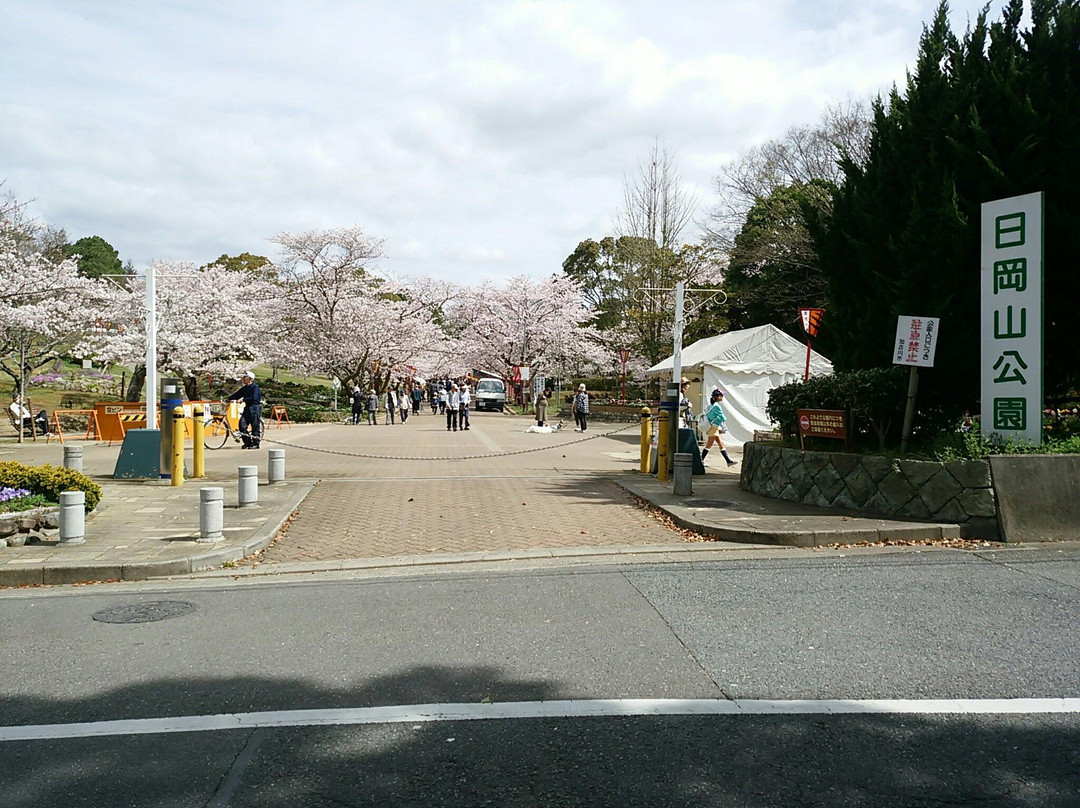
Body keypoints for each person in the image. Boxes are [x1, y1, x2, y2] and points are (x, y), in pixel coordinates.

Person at [227, 370, 262, 449]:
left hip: (255, 407)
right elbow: (237, 394)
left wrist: (243, 400)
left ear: (250, 378)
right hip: (247, 408)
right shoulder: (244, 388)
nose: (243, 378)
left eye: (245, 377)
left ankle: (256, 443)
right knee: (242, 424)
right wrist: (228, 399)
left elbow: (254, 398)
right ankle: (248, 442)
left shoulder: (255, 387)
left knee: (255, 426)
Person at [702, 389, 737, 467]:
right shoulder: (717, 406)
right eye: (721, 396)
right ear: (717, 397)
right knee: (709, 445)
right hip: (714, 427)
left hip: (712, 426)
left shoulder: (710, 406)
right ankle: (700, 460)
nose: (722, 397)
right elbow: (722, 417)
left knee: (721, 443)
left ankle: (728, 461)